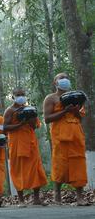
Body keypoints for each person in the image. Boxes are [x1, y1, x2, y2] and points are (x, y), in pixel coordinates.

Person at [44, 73, 89, 206]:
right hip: (60, 136)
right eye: (61, 78)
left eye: (66, 78)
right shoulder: (50, 98)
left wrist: (74, 111)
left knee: (78, 164)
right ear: (55, 82)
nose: (65, 80)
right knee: (60, 165)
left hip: (76, 134)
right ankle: (57, 195)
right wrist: (64, 111)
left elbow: (80, 117)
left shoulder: (76, 96)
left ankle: (80, 197)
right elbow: (47, 119)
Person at [4, 87, 48, 205]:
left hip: (30, 142)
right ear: (13, 96)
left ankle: (36, 198)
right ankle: (21, 200)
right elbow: (5, 128)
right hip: (16, 143)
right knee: (18, 170)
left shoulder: (29, 109)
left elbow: (34, 126)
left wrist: (31, 120)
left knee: (35, 169)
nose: (21, 97)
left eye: (23, 94)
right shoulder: (10, 110)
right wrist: (20, 124)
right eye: (18, 95)